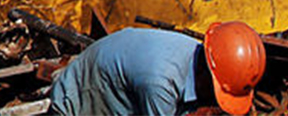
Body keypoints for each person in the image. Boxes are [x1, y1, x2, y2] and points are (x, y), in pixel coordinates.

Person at [48, 22, 265, 116]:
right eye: (218, 95)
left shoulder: (196, 55)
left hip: (119, 92)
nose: (216, 103)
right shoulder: (160, 82)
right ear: (208, 74)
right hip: (79, 102)